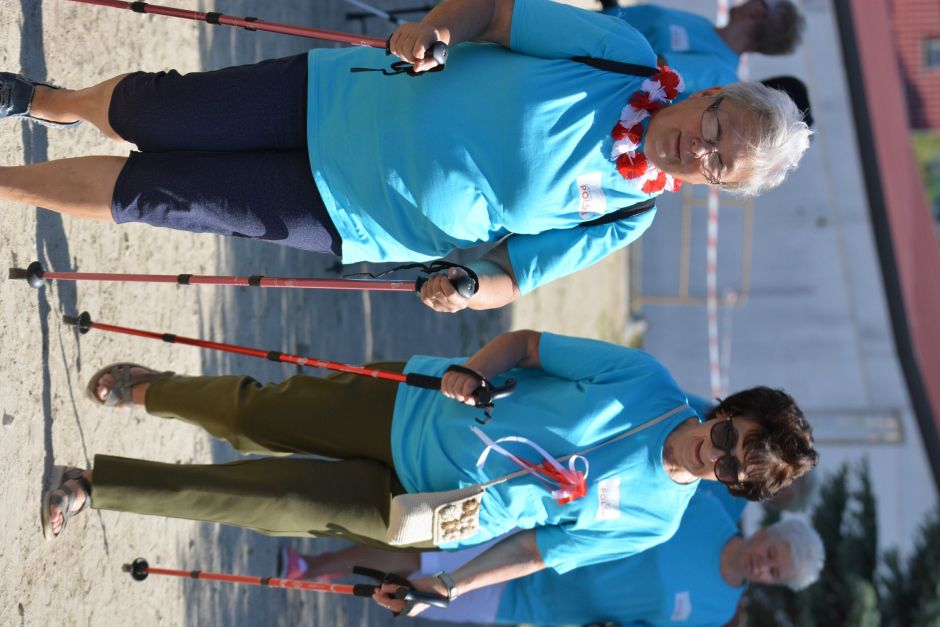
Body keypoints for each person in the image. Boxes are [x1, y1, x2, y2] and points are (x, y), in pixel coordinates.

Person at [0, 0, 811, 313]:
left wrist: (468, 288)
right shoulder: (623, 57)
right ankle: (47, 101)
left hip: (352, 213)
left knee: (160, 195)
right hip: (340, 96)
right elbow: (498, 13)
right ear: (709, 95)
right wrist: (437, 29)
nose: (701, 150)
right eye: (716, 129)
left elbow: (517, 271)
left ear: (715, 187)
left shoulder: (629, 213)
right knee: (158, 109)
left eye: (719, 166)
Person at [41, 329, 818, 617]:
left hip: (431, 513)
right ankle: (154, 389)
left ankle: (97, 485)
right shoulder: (644, 381)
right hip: (411, 410)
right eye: (727, 434)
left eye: (730, 470)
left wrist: (448, 583)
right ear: (725, 407)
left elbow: (537, 549)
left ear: (734, 489)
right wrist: (470, 371)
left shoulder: (657, 520)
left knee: (256, 501)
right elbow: (527, 345)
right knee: (257, 417)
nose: (713, 455)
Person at [279, 491, 824, 625]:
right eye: (773, 554)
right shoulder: (706, 510)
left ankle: (317, 580)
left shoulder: (716, 613)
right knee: (422, 551)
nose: (765, 567)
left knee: (417, 594)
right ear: (768, 532)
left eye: (776, 573)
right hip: (534, 539)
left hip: (534, 603)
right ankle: (315, 565)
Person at [601, 1, 805, 93]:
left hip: (591, 63)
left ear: (758, 11)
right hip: (593, 31)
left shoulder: (722, 74)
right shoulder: (705, 25)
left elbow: (649, 70)